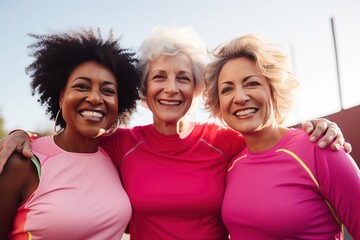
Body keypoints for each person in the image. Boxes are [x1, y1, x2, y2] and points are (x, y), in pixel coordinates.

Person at [0, 26, 351, 240]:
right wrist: (23, 135)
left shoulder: (224, 142)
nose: (171, 89)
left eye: (183, 78)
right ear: (143, 91)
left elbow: (271, 143)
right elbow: (72, 143)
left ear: (197, 89)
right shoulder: (122, 144)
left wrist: (318, 127)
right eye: (159, 77)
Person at [204, 34, 360, 239]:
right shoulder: (230, 165)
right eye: (227, 89)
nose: (240, 97)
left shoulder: (319, 147)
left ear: (273, 90)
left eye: (251, 83)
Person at [0, 28, 141, 239]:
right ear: (60, 98)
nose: (94, 98)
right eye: (82, 86)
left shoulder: (118, 158)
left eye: (108, 90)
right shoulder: (23, 161)